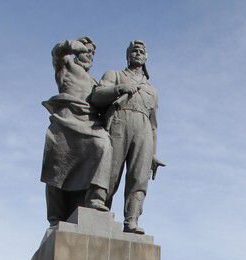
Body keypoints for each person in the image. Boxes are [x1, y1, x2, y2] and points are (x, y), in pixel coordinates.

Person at [91, 40, 164, 234]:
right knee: (111, 171)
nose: (138, 53)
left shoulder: (152, 90)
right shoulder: (115, 75)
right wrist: (119, 89)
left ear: (146, 57)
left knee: (139, 177)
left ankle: (131, 220)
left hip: (144, 130)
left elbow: (154, 125)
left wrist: (153, 154)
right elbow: (96, 96)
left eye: (142, 51)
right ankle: (99, 213)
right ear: (128, 55)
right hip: (118, 123)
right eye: (134, 50)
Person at [41, 37, 114, 227]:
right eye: (86, 50)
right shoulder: (65, 65)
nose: (89, 54)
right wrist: (71, 45)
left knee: (103, 144)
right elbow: (57, 53)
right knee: (57, 169)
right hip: (66, 121)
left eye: (92, 52)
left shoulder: (95, 81)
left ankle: (96, 198)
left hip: (89, 124)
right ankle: (55, 218)